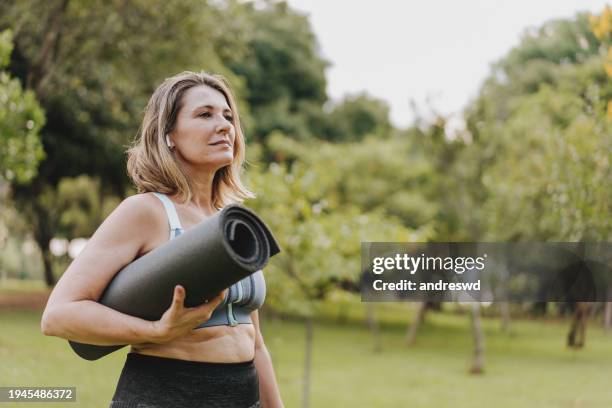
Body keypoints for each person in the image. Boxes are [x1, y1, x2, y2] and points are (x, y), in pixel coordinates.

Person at [41, 71, 284, 408]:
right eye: (204, 114)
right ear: (169, 134)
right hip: (165, 395)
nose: (224, 125)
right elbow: (58, 315)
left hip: (242, 396)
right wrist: (154, 331)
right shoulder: (146, 212)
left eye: (228, 116)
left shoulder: (229, 221)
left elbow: (255, 343)